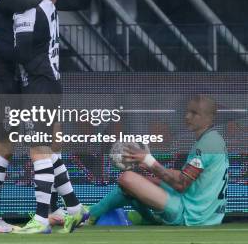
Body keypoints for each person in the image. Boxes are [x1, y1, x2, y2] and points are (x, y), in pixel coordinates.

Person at [0, 0, 95, 233]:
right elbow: (17, 5)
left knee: (44, 144)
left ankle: (58, 210)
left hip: (34, 77)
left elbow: (81, 1)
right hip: (7, 77)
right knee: (16, 146)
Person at [85, 95, 229, 228]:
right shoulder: (213, 139)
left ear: (210, 118)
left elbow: (181, 184)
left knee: (126, 178)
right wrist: (148, 167)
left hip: (192, 215)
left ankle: (87, 215)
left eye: (194, 113)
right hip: (206, 213)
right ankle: (96, 214)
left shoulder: (207, 144)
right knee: (142, 181)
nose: (187, 116)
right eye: (187, 111)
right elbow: (188, 177)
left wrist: (148, 160)